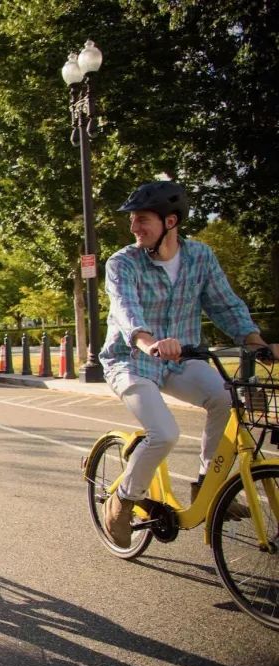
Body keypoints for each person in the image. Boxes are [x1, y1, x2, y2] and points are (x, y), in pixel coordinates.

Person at [100, 181, 279, 548]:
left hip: (183, 359)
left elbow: (225, 305)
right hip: (131, 360)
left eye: (142, 219)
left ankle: (206, 484)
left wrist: (257, 343)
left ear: (171, 221)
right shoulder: (122, 262)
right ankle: (122, 501)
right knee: (164, 433)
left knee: (225, 399)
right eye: (133, 219)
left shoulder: (201, 257)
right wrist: (147, 341)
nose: (134, 227)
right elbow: (124, 308)